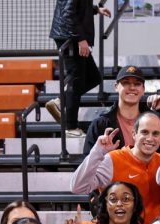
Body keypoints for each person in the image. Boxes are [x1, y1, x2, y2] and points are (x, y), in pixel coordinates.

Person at [72, 110, 160, 224]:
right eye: (145, 132)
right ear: (134, 134)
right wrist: (97, 152)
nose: (150, 138)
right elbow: (77, 187)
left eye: (155, 134)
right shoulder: (113, 160)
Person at [47, 0, 112, 139]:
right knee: (76, 81)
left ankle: (61, 101)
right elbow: (68, 14)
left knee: (94, 77)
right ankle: (71, 127)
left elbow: (77, 7)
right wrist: (80, 39)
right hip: (70, 38)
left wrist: (95, 9)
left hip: (72, 36)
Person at [83, 64, 149, 154]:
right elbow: (88, 163)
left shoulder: (153, 122)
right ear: (116, 87)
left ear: (143, 89)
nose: (132, 87)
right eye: (126, 83)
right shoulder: (100, 125)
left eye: (137, 84)